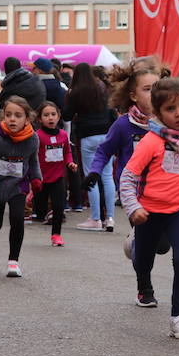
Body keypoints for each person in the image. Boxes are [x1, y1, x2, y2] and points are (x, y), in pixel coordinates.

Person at [120, 78, 179, 338]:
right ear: (158, 113)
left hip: (178, 210)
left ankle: (178, 318)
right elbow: (128, 177)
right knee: (143, 261)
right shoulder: (150, 141)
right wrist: (133, 209)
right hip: (148, 212)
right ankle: (136, 248)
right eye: (171, 109)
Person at [84, 62, 167, 265]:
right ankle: (144, 287)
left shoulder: (168, 123)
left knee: (163, 246)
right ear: (133, 96)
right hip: (133, 193)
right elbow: (104, 150)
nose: (153, 94)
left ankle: (136, 239)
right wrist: (95, 171)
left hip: (161, 190)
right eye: (147, 90)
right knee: (147, 243)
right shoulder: (123, 124)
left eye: (157, 89)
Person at [0, 96, 42, 277]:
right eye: (8, 115)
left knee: (17, 218)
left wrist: (36, 178)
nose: (12, 119)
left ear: (27, 119)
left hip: (18, 185)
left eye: (17, 115)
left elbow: (33, 160)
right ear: (3, 117)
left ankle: (13, 261)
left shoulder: (32, 139)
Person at [63, 62, 117, 232]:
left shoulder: (76, 91)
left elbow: (66, 115)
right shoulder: (102, 88)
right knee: (107, 176)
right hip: (106, 134)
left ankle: (95, 218)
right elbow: (112, 111)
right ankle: (110, 219)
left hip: (88, 136)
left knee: (91, 175)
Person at [36, 101, 78, 246]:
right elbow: (33, 155)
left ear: (59, 116)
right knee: (39, 211)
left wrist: (70, 163)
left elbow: (67, 152)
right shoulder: (38, 136)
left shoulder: (63, 135)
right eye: (46, 115)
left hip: (58, 177)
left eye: (53, 114)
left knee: (59, 207)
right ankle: (43, 213)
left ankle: (56, 235)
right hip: (41, 178)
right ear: (40, 119)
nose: (50, 118)